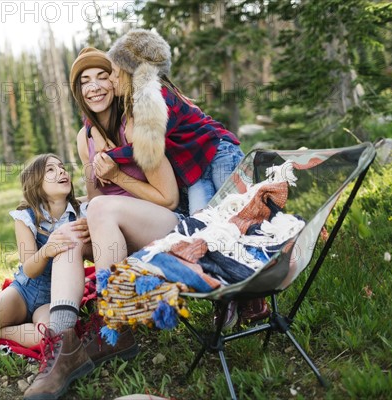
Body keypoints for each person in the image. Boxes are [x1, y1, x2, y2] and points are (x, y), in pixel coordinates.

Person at [24, 48, 182, 400]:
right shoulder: (86, 137)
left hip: (166, 228)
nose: (94, 86)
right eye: (84, 81)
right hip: (119, 234)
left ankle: (114, 319)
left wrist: (117, 180)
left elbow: (169, 197)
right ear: (78, 92)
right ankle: (63, 344)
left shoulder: (138, 123)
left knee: (100, 210)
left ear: (114, 81)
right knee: (68, 237)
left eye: (101, 76)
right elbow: (97, 199)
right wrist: (86, 216)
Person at [101, 28, 267, 331]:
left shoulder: (150, 95)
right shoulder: (149, 95)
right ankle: (230, 292)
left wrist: (112, 158)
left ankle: (253, 296)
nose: (110, 80)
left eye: (113, 73)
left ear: (131, 70)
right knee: (202, 232)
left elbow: (147, 147)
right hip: (196, 170)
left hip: (218, 154)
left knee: (233, 222)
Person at [0, 154, 93, 360]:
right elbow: (29, 269)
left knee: (50, 335)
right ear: (36, 184)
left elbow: (97, 199)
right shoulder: (26, 217)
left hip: (55, 298)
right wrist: (47, 250)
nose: (62, 171)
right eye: (50, 170)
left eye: (62, 167)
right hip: (24, 292)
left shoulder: (82, 213)